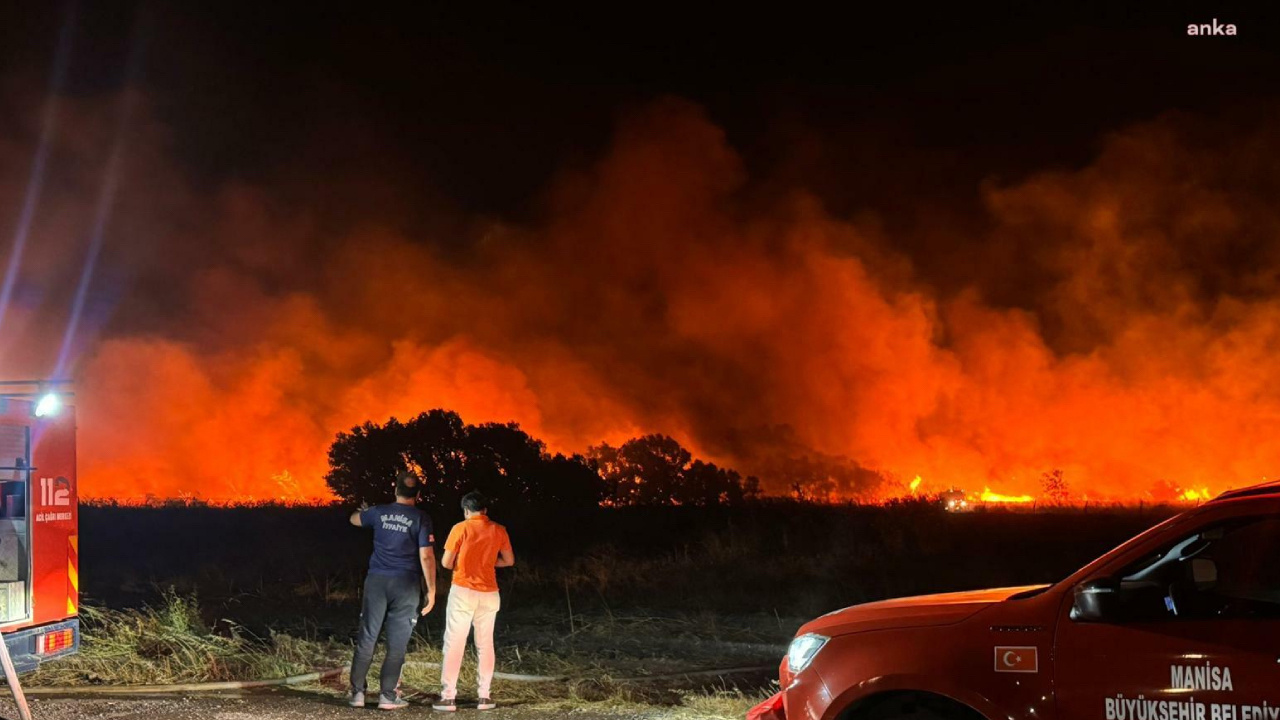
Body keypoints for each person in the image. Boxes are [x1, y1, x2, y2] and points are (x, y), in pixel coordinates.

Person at [348, 470, 437, 711]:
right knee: (397, 643)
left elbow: (354, 519)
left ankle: (357, 693)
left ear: (395, 490)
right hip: (406, 585)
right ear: (417, 495)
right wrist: (432, 590)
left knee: (368, 637)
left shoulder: (378, 512)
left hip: (377, 582)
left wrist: (365, 511)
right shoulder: (421, 518)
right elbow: (426, 556)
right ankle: (387, 696)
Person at [432, 491, 514, 712]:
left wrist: (467, 561)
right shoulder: (499, 530)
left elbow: (447, 562)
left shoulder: (460, 528)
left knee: (454, 643)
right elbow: (509, 560)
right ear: (485, 510)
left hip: (463, 592)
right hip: (490, 593)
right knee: (485, 644)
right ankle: (484, 697)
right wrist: (487, 563)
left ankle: (448, 697)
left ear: (466, 510)